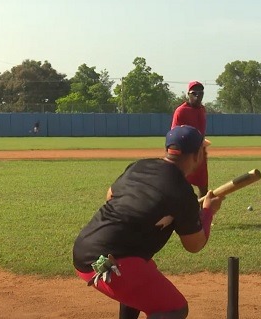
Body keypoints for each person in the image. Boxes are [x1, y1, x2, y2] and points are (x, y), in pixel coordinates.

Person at [72, 125, 224, 319]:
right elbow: (194, 245)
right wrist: (208, 211)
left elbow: (110, 196)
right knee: (174, 308)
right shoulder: (182, 191)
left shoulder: (139, 166)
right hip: (110, 262)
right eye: (203, 150)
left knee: (144, 272)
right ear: (196, 156)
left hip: (85, 247)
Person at [171, 81, 208, 198]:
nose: (198, 95)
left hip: (199, 153)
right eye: (194, 93)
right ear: (188, 94)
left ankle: (201, 215)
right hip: (185, 155)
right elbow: (174, 135)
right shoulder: (181, 111)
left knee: (203, 187)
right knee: (182, 188)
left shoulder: (202, 109)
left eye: (201, 93)